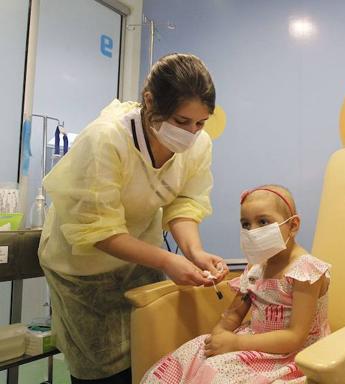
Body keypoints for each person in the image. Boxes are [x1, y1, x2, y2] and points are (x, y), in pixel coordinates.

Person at [38, 53, 229, 383]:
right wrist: (168, 261)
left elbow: (184, 204)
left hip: (140, 259)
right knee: (103, 372)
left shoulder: (198, 146)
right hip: (83, 271)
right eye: (182, 122)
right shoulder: (106, 140)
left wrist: (193, 253)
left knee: (151, 360)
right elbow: (96, 228)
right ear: (150, 101)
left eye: (201, 123)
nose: (192, 133)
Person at [141, 185, 331, 384]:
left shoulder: (306, 271)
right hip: (252, 340)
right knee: (193, 352)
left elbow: (295, 336)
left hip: (292, 353)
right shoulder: (256, 268)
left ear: (293, 225)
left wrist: (236, 343)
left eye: (263, 221)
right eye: (246, 224)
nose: (252, 231)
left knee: (217, 373)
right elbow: (234, 313)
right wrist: (218, 336)